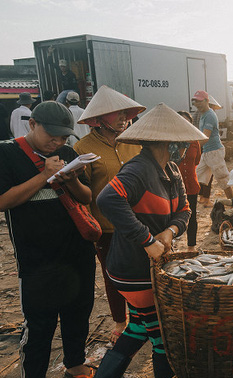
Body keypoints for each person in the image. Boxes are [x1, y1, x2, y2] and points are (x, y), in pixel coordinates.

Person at [82, 103, 206, 378]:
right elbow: (108, 199)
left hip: (153, 267)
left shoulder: (171, 170)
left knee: (138, 328)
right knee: (163, 337)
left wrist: (169, 233)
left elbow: (185, 210)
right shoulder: (138, 169)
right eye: (179, 143)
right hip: (132, 270)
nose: (183, 149)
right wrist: (147, 239)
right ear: (166, 143)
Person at [0, 101, 96, 378]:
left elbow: (87, 198)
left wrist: (72, 177)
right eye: (52, 135)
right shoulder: (3, 151)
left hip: (77, 251)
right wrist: (44, 176)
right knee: (39, 326)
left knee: (78, 312)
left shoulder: (68, 153)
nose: (58, 143)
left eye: (63, 137)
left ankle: (75, 363)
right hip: (37, 258)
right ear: (32, 124)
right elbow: (1, 201)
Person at [73, 85, 145, 344]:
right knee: (113, 275)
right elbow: (83, 192)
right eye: (118, 114)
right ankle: (120, 321)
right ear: (100, 119)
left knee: (140, 272)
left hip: (137, 222)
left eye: (126, 113)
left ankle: (140, 317)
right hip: (105, 226)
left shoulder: (134, 142)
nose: (125, 118)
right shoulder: (83, 148)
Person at [193, 90, 233, 206]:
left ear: (206, 101)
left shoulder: (210, 115)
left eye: (200, 101)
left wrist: (192, 149)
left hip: (214, 151)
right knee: (196, 175)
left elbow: (205, 137)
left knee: (223, 178)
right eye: (196, 101)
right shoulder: (202, 115)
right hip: (206, 151)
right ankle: (202, 199)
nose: (197, 104)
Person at [177, 111, 202, 250]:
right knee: (173, 217)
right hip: (174, 186)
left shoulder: (195, 142)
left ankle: (191, 247)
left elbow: (197, 160)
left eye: (187, 122)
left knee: (191, 217)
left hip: (191, 185)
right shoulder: (171, 142)